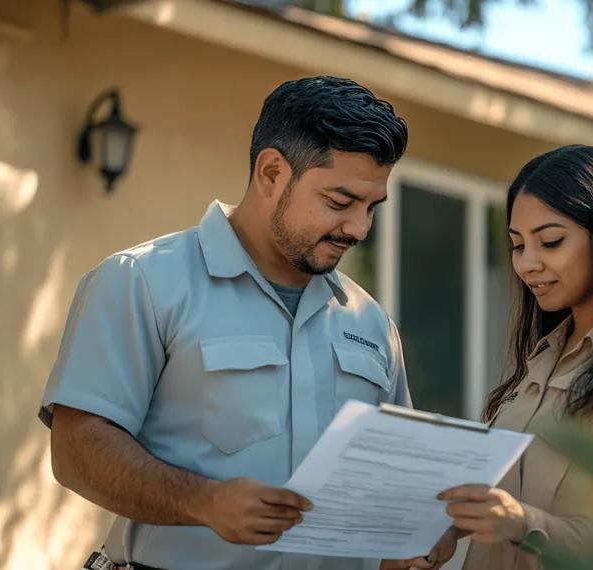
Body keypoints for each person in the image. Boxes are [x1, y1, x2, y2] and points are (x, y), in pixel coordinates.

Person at [40, 76, 411, 570]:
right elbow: (77, 451)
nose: (360, 228)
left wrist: (413, 536)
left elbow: (394, 477)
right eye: (340, 203)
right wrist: (202, 502)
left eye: (371, 208)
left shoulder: (371, 322)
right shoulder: (143, 282)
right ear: (272, 173)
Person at [384, 145, 593, 570]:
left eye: (550, 241)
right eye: (516, 245)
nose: (527, 264)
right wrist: (443, 533)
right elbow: (498, 504)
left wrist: (524, 523)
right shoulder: (537, 364)